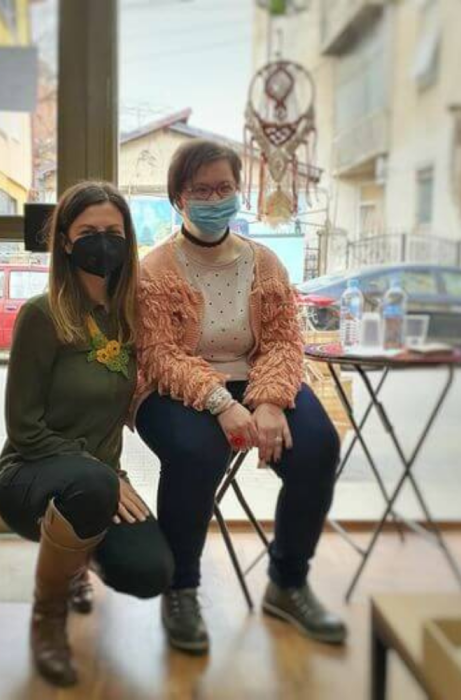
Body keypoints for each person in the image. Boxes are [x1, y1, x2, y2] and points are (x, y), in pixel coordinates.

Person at [133, 139, 347, 655]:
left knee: (318, 446)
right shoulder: (154, 269)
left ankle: (287, 584)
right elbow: (159, 355)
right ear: (178, 199)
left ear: (238, 191)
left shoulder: (264, 263)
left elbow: (283, 342)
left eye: (224, 188)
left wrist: (269, 400)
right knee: (196, 451)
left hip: (254, 378)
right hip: (176, 386)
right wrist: (221, 403)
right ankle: (181, 589)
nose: (215, 199)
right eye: (201, 190)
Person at [0, 181, 174, 687]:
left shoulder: (129, 316)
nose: (103, 242)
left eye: (114, 232)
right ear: (65, 242)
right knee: (91, 486)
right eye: (89, 231)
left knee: (151, 571)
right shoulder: (41, 316)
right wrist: (102, 476)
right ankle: (47, 617)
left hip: (96, 482)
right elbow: (23, 428)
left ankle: (73, 559)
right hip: (30, 476)